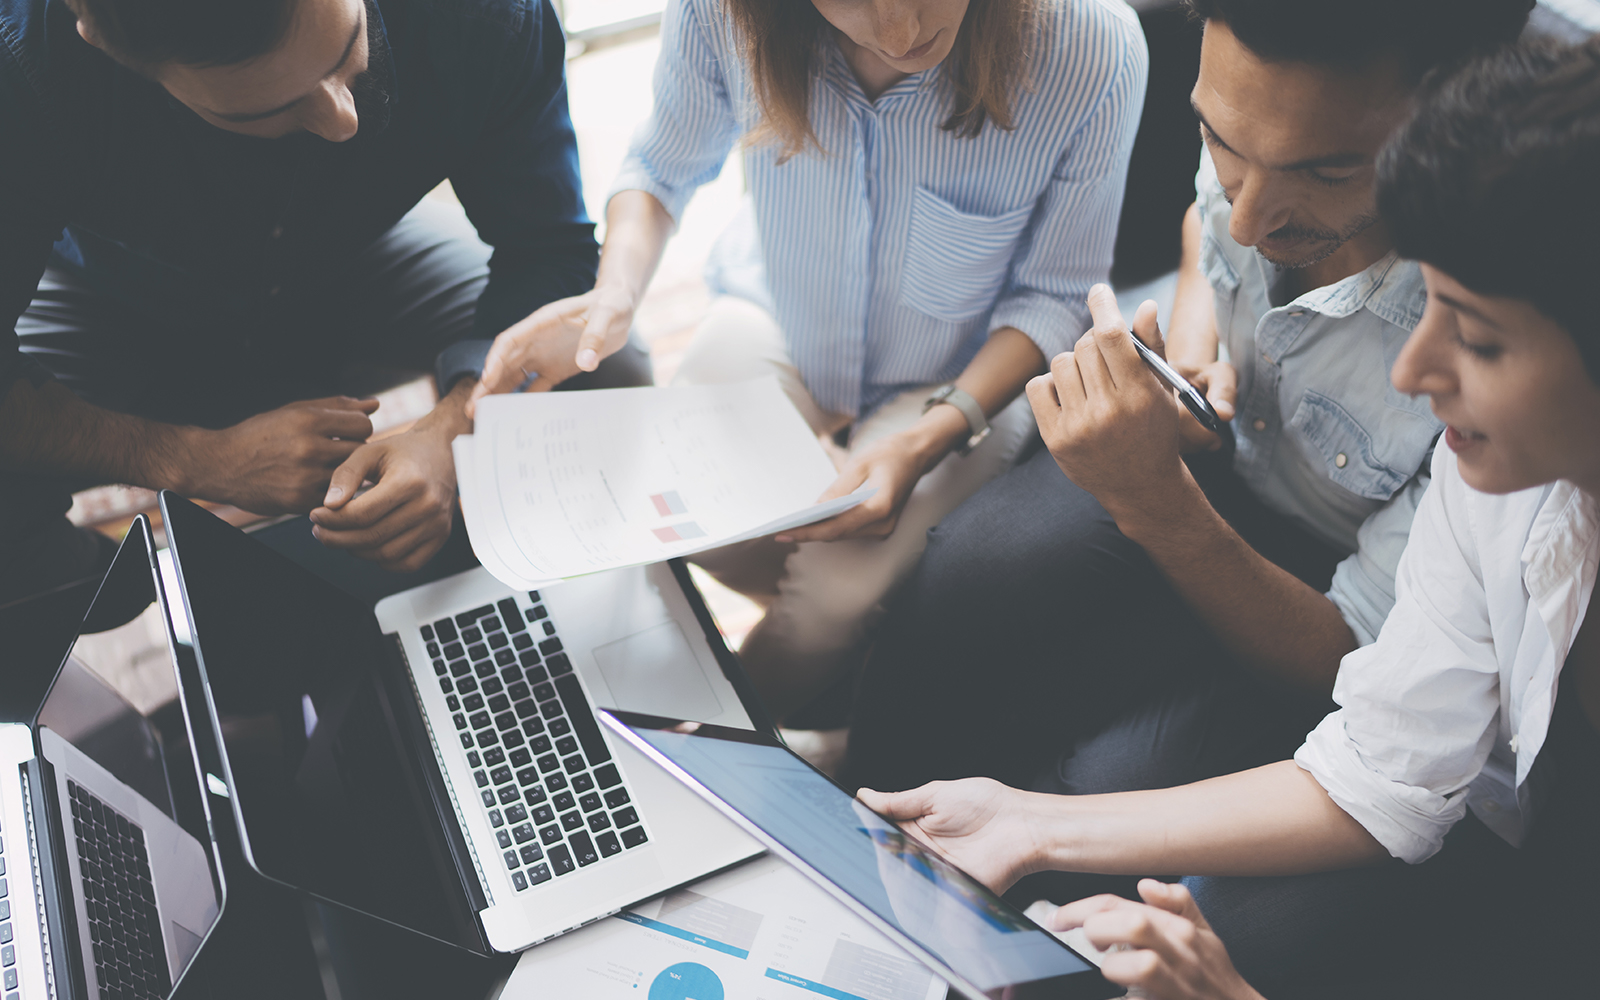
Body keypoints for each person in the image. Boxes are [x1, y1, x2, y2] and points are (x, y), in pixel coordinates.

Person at [859, 37, 1600, 997]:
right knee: (983, 572)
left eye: (1480, 341)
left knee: (1188, 899)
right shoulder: (1502, 475)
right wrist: (1026, 825)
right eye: (1222, 146)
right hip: (1463, 784)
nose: (1416, 372)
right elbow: (1385, 770)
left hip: (1519, 877)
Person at [843, 0, 1532, 812]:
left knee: (1103, 786)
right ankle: (850, 801)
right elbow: (1206, 228)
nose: (1248, 218)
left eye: (1325, 174)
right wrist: (1193, 354)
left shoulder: (1491, 335)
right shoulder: (1263, 128)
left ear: (1454, 116)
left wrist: (1155, 500)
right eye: (1221, 143)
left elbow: (1355, 663)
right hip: (1212, 466)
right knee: (969, 570)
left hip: (1331, 596)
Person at [468, 0, 1148, 719]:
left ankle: (725, 735)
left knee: (836, 596)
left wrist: (926, 439)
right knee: (699, 526)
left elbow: (1054, 294)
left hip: (966, 370)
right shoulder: (725, 12)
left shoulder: (1091, 47)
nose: (900, 36)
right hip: (781, 308)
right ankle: (867, 655)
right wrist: (614, 291)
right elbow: (661, 164)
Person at [0, 0, 650, 604]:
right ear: (99, 39)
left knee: (603, 367)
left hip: (355, 263)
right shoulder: (23, 65)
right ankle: (155, 600)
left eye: (349, 50)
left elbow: (548, 252)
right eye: (272, 109)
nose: (345, 122)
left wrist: (454, 431)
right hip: (113, 301)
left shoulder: (484, 15)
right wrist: (189, 458)